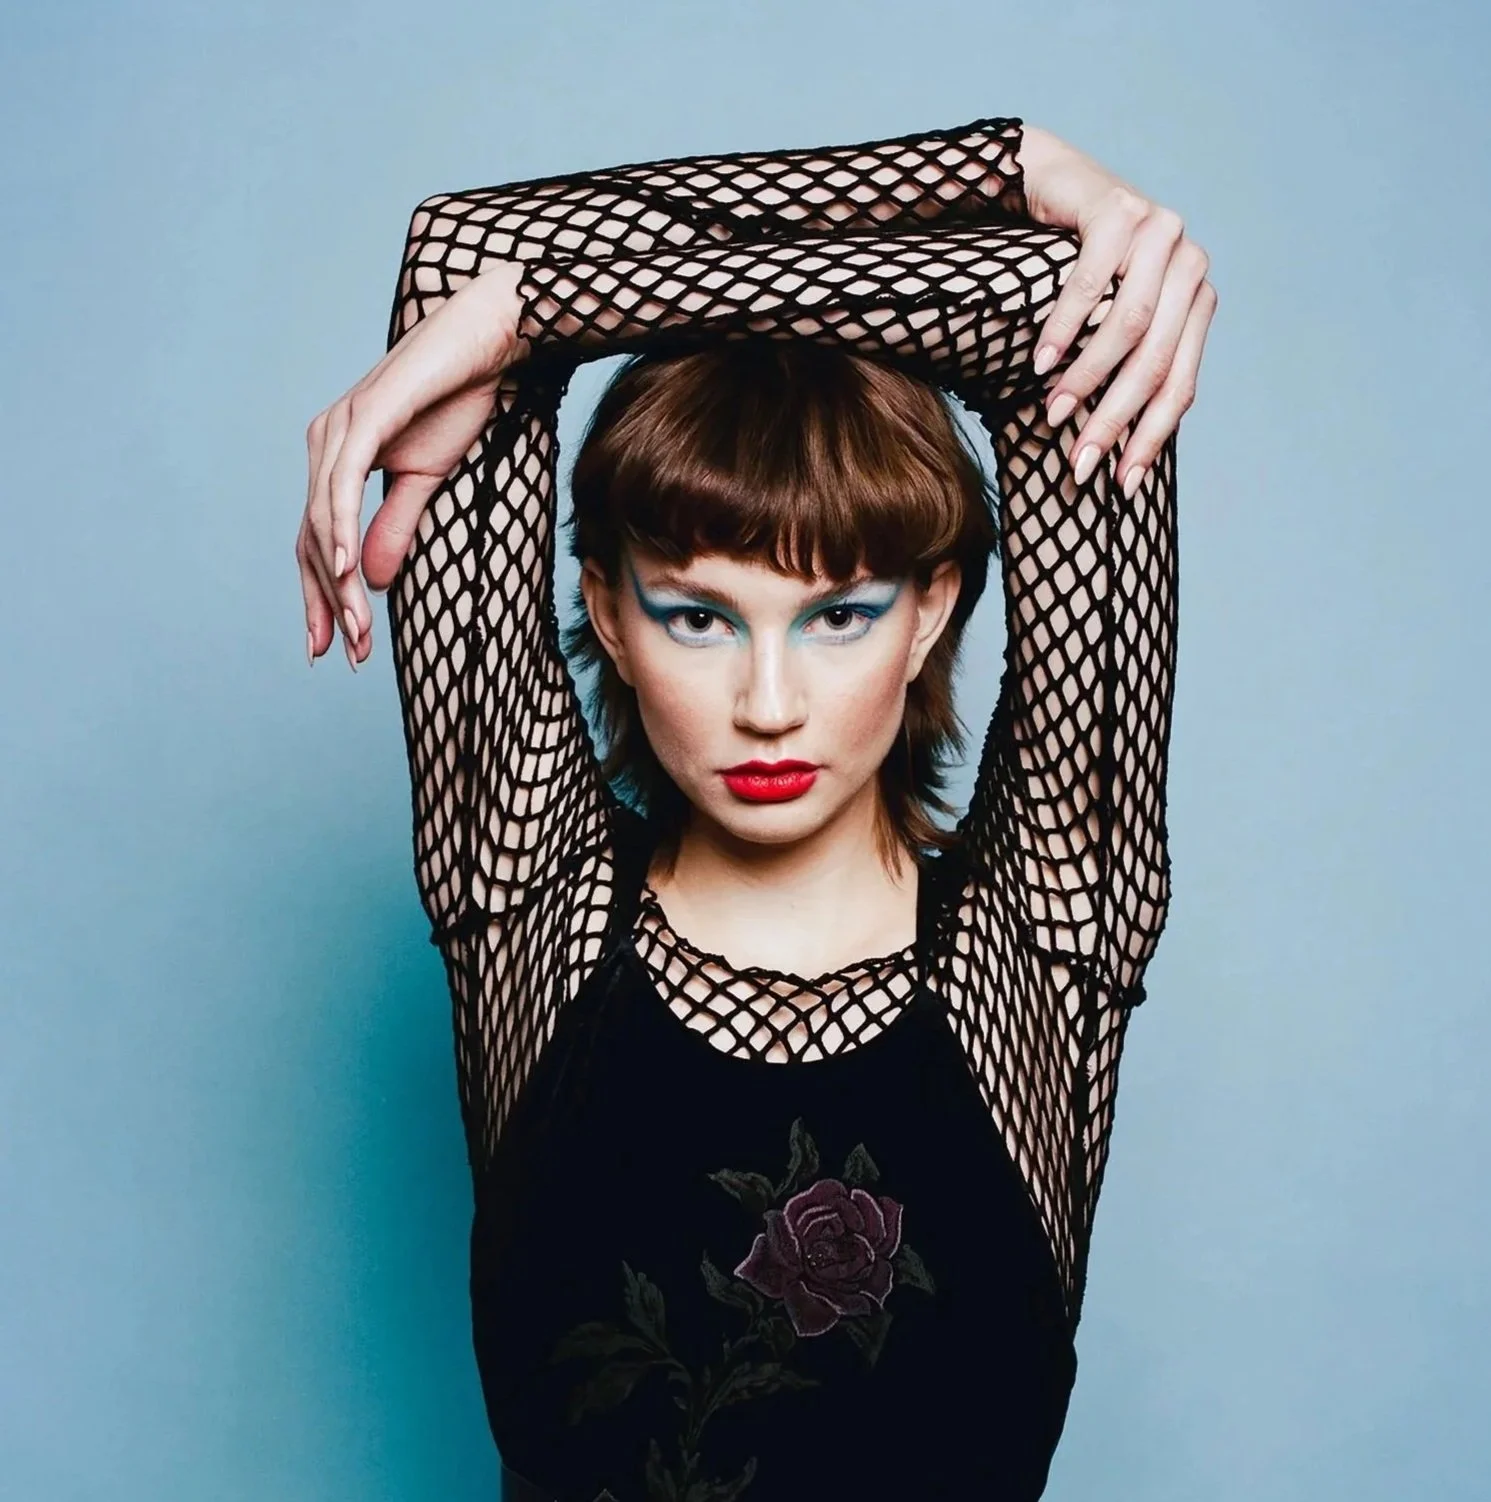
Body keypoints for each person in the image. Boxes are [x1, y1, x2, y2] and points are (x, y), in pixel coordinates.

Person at [296, 118, 1214, 1502]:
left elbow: (1047, 316)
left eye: (838, 611)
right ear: (604, 609)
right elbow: (463, 254)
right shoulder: (525, 903)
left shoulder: (1043, 939)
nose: (769, 699)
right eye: (697, 612)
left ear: (931, 612)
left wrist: (1023, 168)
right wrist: (1010, 173)